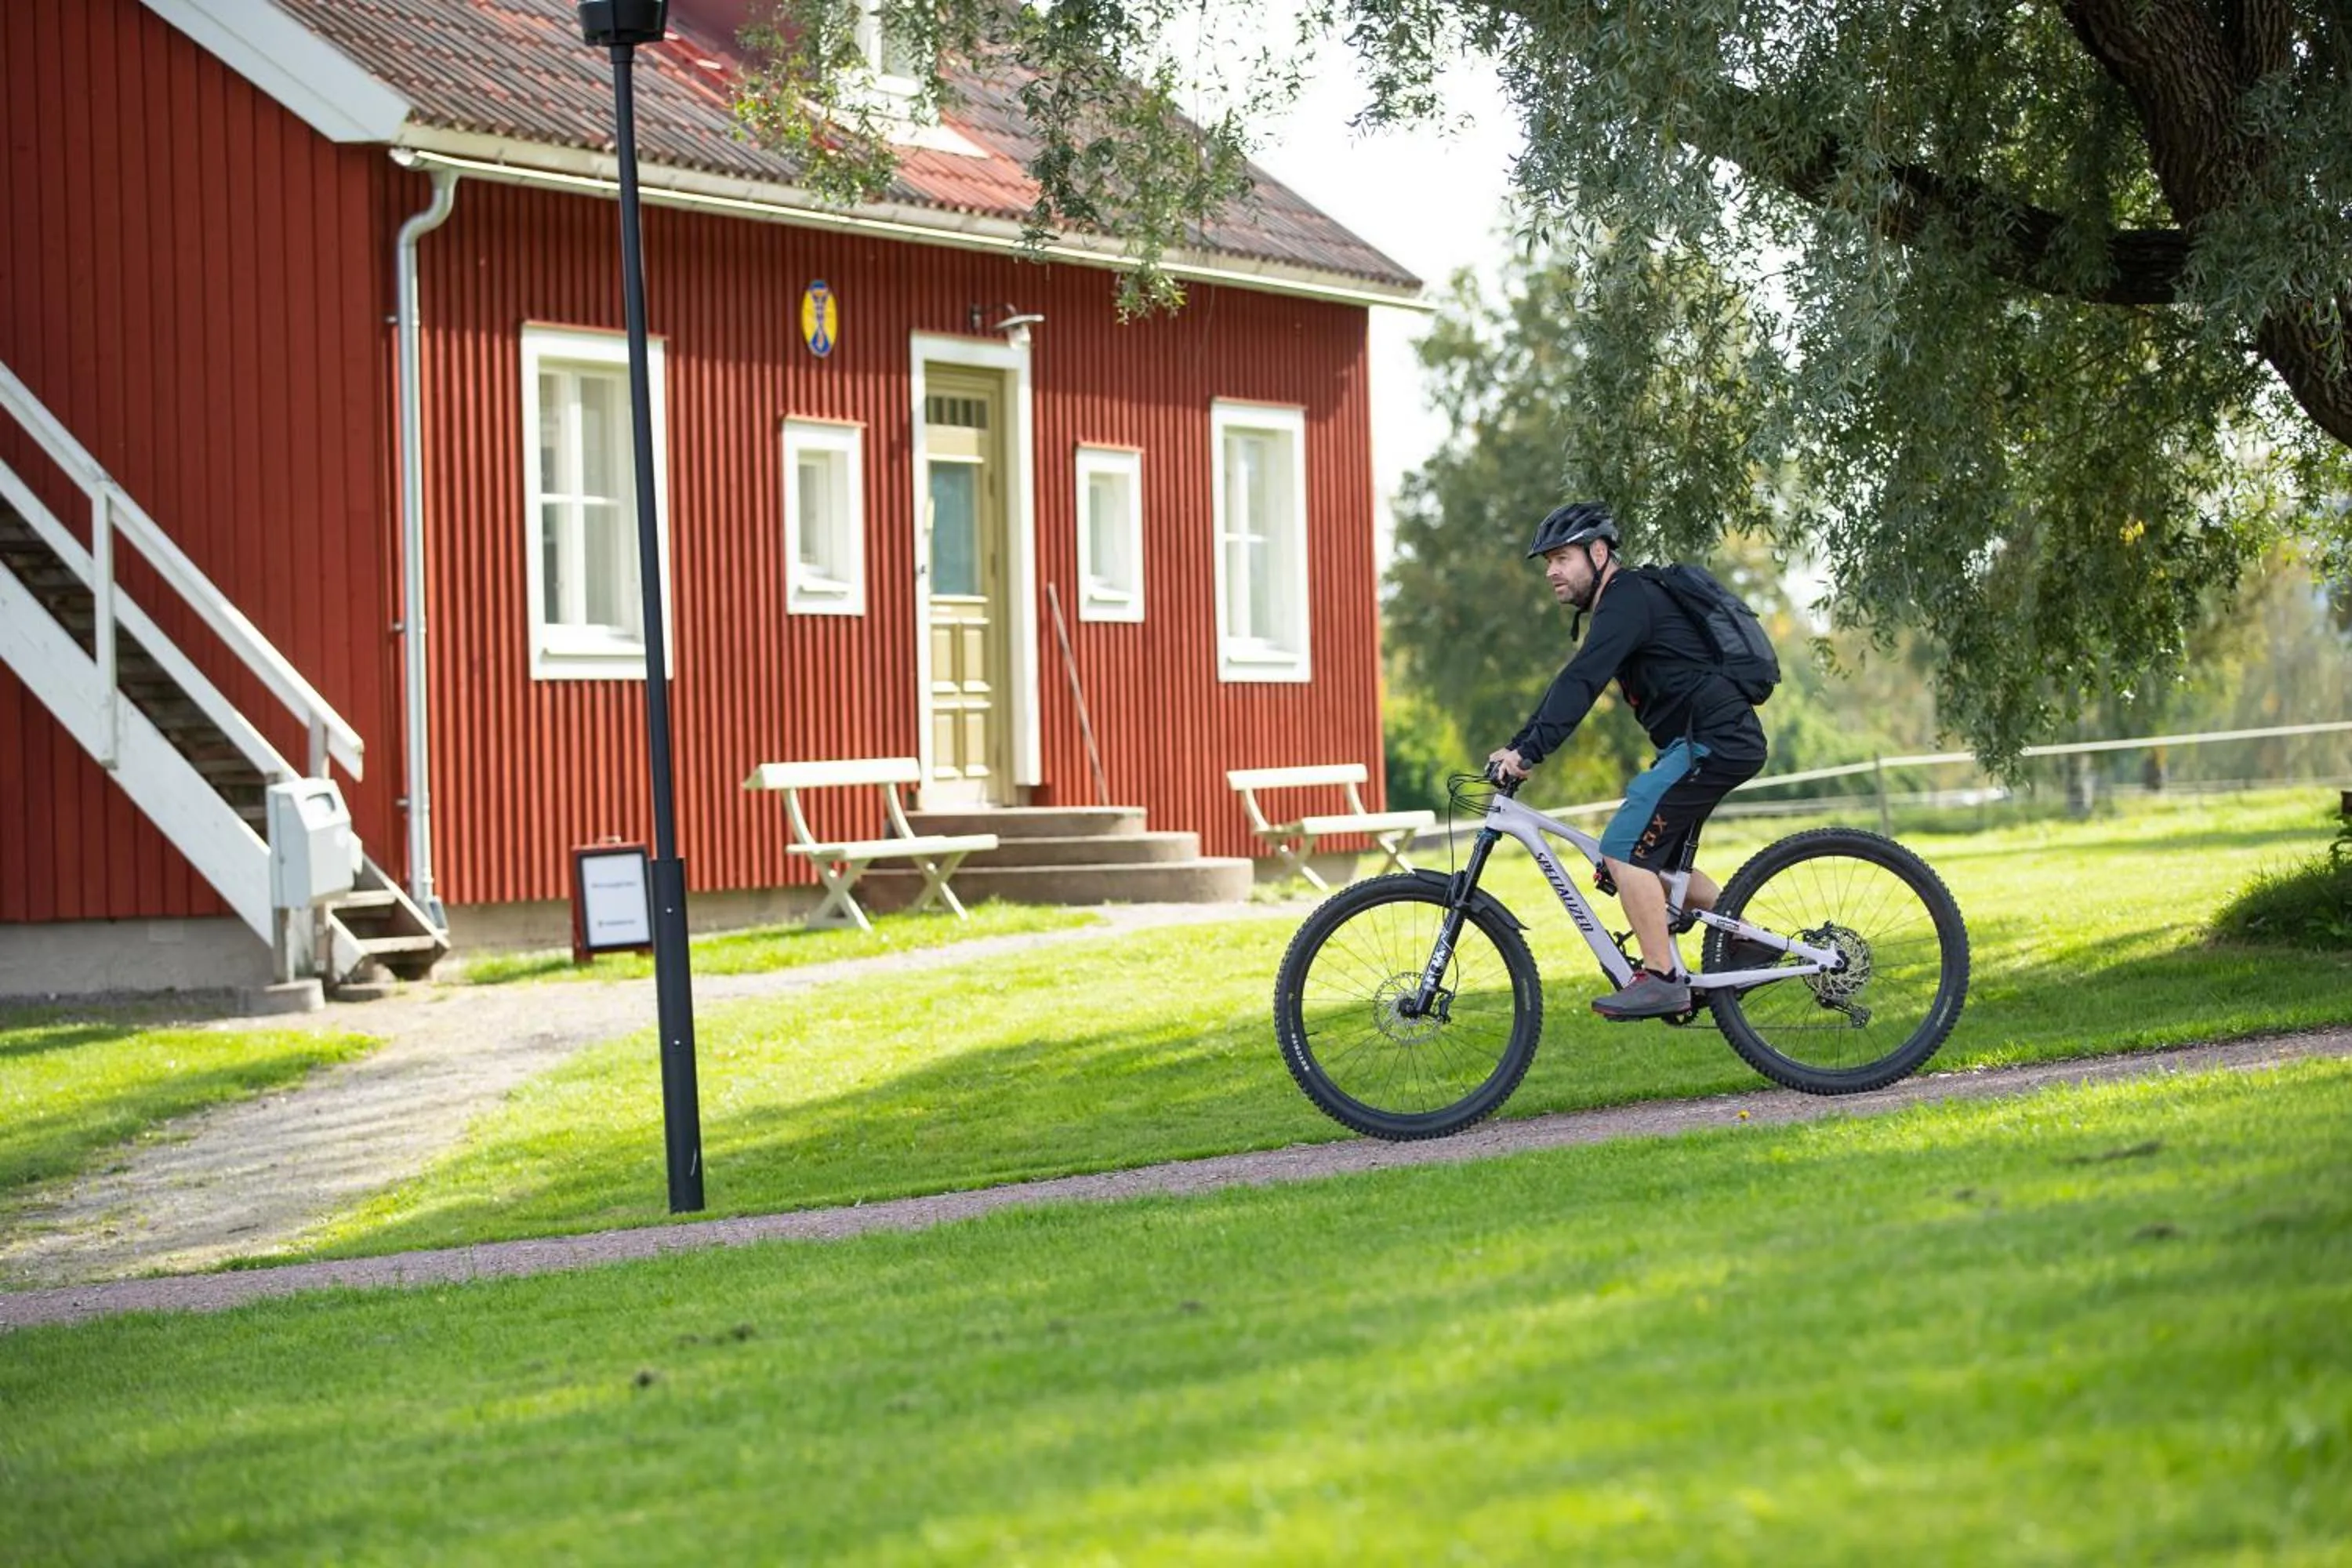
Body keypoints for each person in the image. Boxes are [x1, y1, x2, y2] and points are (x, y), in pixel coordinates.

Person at [1486, 501, 1770, 1021]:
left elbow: (1583, 681)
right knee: (1653, 865)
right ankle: (1749, 943)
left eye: (1562, 557)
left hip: (1712, 740)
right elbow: (1573, 681)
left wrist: (1530, 751)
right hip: (1704, 741)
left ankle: (1661, 978)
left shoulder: (1627, 597)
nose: (1551, 570)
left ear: (1599, 553)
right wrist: (1520, 743)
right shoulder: (1623, 602)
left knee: (1621, 848)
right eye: (1547, 561)